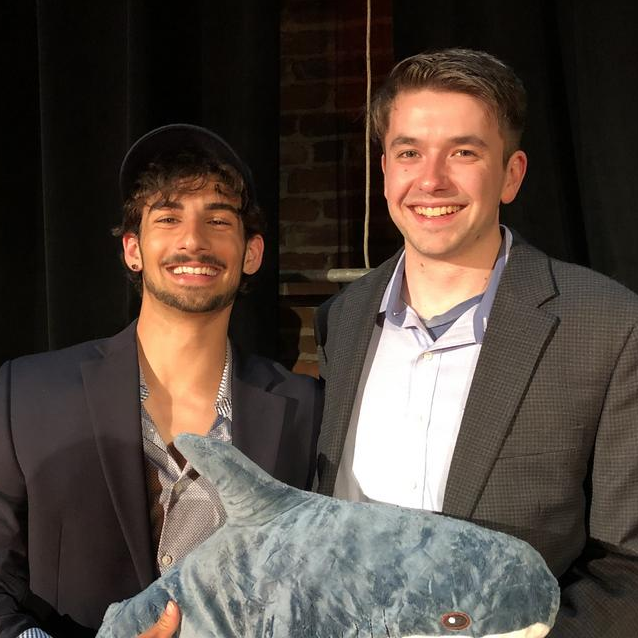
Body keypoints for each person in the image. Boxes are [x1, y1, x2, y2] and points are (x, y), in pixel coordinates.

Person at [314, 49, 638, 636]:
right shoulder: (344, 318)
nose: (430, 180)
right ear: (385, 168)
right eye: (409, 152)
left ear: (512, 174)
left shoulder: (607, 325)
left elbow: (629, 566)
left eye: (463, 152)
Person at [0, 124, 322, 638]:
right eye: (168, 219)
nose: (193, 241)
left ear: (252, 254)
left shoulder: (305, 408)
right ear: (132, 249)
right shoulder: (28, 393)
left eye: (218, 220)